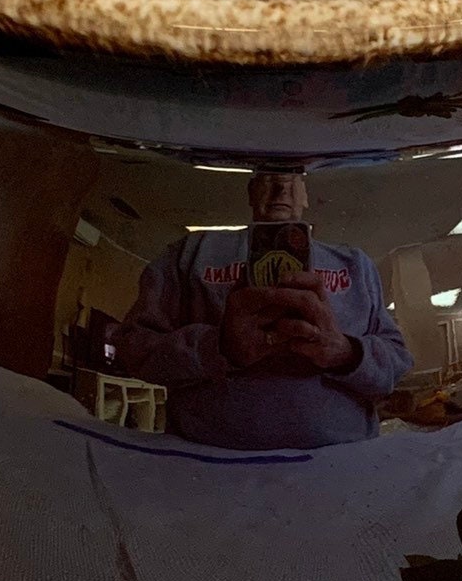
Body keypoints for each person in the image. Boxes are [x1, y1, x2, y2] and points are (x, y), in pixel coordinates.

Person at [114, 169, 410, 450]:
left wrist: (345, 353)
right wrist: (217, 348)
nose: (281, 188)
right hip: (210, 460)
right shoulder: (190, 252)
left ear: (306, 197)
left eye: (292, 182)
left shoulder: (355, 264)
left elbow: (398, 361)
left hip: (339, 459)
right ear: (251, 191)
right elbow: (134, 347)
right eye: (268, 179)